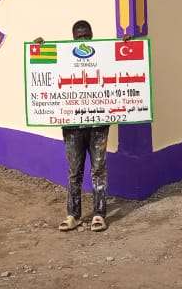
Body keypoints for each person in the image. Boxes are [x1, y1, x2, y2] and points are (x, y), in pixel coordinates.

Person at [59, 19, 109, 232]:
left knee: (98, 170)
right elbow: (47, 75)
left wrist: (127, 46)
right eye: (80, 36)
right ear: (73, 38)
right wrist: (38, 50)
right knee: (74, 172)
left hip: (98, 125)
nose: (84, 40)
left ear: (92, 36)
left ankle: (99, 214)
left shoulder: (103, 57)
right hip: (72, 127)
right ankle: (73, 215)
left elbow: (121, 69)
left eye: (87, 36)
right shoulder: (63, 60)